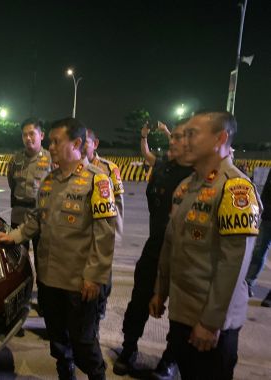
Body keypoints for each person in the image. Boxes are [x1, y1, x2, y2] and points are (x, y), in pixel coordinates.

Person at [0, 117, 116, 380]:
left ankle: (97, 375)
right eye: (50, 141)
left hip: (79, 284)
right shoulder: (49, 182)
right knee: (59, 342)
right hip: (50, 281)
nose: (51, 147)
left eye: (56, 141)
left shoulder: (98, 181)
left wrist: (94, 277)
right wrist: (11, 237)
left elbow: (105, 236)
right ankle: (65, 375)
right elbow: (34, 222)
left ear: (77, 143)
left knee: (84, 345)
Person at [149, 111, 262, 380]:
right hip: (183, 312)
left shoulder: (235, 189)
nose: (183, 140)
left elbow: (233, 264)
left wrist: (210, 323)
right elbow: (170, 244)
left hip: (211, 324)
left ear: (220, 138)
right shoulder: (188, 186)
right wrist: (160, 290)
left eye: (192, 134)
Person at [113, 120, 193, 379]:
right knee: (139, 300)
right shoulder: (164, 167)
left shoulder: (199, 174)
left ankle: (170, 359)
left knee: (181, 311)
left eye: (180, 138)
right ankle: (128, 349)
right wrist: (145, 136)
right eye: (173, 137)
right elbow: (148, 155)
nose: (173, 142)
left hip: (185, 253)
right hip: (156, 244)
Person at [84, 129, 124, 323]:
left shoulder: (109, 169)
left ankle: (99, 313)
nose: (81, 146)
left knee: (101, 279)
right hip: (80, 240)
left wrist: (114, 237)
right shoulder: (71, 167)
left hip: (102, 237)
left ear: (95, 144)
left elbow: (119, 207)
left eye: (86, 142)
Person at [7, 117, 51, 264]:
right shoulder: (15, 160)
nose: (28, 138)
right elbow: (11, 183)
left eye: (32, 134)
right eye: (24, 135)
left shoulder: (51, 159)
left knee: (42, 259)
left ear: (42, 135)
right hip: (19, 215)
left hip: (41, 216)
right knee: (18, 259)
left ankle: (42, 286)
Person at [245, 169, 271, 305]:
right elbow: (267, 189)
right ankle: (248, 283)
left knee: (259, 250)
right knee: (258, 251)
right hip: (269, 218)